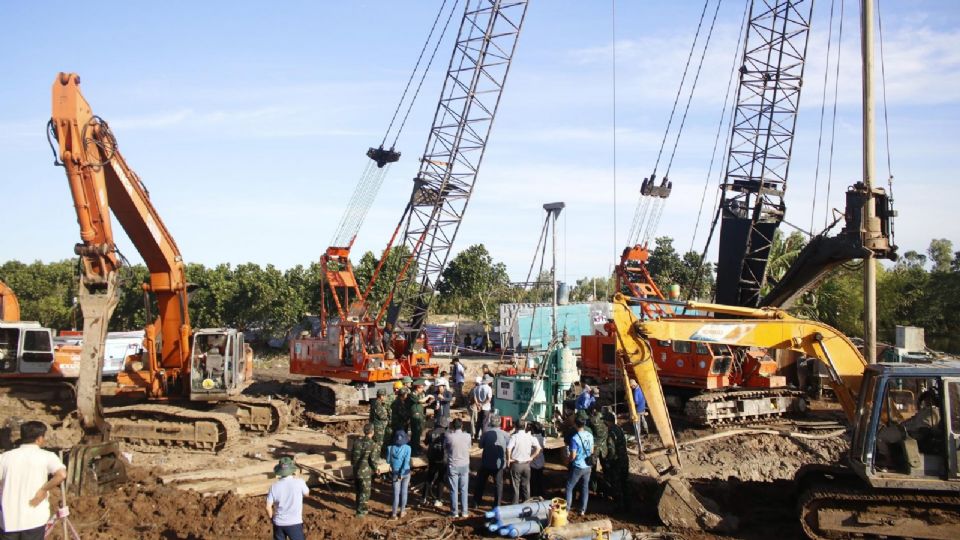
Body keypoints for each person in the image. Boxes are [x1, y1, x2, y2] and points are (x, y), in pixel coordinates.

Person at [0, 421, 66, 540]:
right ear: (40, 438)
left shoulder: (5, 457)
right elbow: (61, 474)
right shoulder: (47, 456)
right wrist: (43, 489)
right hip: (34, 518)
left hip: (8, 519)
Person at [266, 457, 309, 540]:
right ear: (292, 470)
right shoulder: (300, 482)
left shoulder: (274, 486)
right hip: (294, 523)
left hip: (279, 523)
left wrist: (272, 519)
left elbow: (268, 507)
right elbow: (307, 494)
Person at [474, 413, 509, 509]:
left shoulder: (486, 433)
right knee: (498, 485)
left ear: (491, 423)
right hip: (499, 465)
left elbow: (480, 446)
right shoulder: (505, 435)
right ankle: (497, 505)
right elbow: (509, 448)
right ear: (500, 423)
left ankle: (476, 502)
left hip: (486, 462)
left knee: (480, 482)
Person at [506, 422, 542, 504]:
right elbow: (538, 448)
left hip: (516, 464)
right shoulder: (530, 437)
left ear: (515, 427)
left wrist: (508, 459)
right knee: (526, 486)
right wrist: (531, 457)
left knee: (516, 487)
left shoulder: (514, 437)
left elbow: (508, 448)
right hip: (526, 465)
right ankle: (527, 505)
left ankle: (515, 506)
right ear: (525, 426)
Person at [565, 416, 594, 517]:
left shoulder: (575, 438)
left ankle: (567, 509)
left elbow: (573, 455)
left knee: (569, 486)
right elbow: (592, 451)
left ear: (575, 425)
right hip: (588, 466)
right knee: (585, 487)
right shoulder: (590, 435)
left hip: (578, 466)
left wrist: (568, 460)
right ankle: (582, 510)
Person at [603, 411, 631, 512]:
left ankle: (619, 506)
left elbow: (611, 449)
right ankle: (628, 504)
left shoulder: (611, 432)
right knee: (624, 483)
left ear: (607, 421)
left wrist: (608, 461)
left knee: (616, 484)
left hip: (617, 461)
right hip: (624, 459)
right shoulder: (619, 429)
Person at [445, 418, 472, 518]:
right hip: (464, 465)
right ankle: (465, 511)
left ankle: (454, 512)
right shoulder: (467, 436)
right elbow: (469, 447)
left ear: (452, 426)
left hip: (453, 465)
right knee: (464, 489)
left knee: (453, 489)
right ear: (462, 426)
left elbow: (446, 448)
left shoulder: (449, 437)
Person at [350, 424, 378, 517]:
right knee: (365, 492)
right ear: (372, 432)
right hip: (365, 472)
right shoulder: (372, 444)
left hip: (356, 470)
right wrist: (376, 469)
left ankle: (358, 507)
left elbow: (352, 457)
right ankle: (361, 512)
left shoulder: (356, 442)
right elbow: (373, 460)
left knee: (358, 491)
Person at [422, 416, 449, 508]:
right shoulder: (447, 434)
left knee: (429, 477)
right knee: (441, 479)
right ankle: (438, 499)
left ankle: (424, 498)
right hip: (443, 460)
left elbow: (425, 443)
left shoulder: (430, 432)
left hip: (432, 459)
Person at [386, 429, 412, 519]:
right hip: (406, 472)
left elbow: (388, 461)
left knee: (396, 494)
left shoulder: (390, 448)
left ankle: (394, 514)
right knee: (404, 492)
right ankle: (402, 511)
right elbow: (406, 461)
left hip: (395, 473)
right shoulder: (408, 448)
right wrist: (402, 472)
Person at [587, 406, 608, 494]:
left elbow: (587, 429)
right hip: (603, 448)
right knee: (606, 470)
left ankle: (593, 488)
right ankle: (606, 490)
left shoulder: (592, 420)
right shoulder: (606, 420)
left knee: (592, 470)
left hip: (594, 448)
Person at [408, 379, 433, 456]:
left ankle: (416, 448)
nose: (422, 389)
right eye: (421, 388)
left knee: (418, 434)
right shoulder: (412, 394)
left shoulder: (419, 394)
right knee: (415, 434)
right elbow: (420, 401)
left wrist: (428, 403)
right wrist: (428, 396)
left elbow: (421, 405)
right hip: (415, 417)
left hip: (420, 417)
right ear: (417, 387)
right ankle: (414, 451)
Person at [369, 389, 391, 458]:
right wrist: (388, 417)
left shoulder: (377, 402)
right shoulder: (377, 404)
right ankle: (376, 458)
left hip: (379, 426)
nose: (385, 397)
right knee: (378, 443)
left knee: (379, 442)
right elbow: (382, 416)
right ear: (381, 396)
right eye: (384, 396)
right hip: (379, 427)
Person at [528, 423, 546, 498]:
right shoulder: (543, 438)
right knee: (540, 479)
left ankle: (533, 494)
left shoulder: (531, 438)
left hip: (533, 460)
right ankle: (541, 494)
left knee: (532, 480)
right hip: (541, 460)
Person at [475, 375, 493, 440]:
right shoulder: (488, 388)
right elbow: (489, 399)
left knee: (478, 422)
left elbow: (475, 398)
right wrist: (482, 404)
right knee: (485, 423)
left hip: (479, 407)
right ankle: (483, 438)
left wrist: (478, 405)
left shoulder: (477, 387)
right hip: (486, 408)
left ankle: (476, 435)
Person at [469, 376, 483, 440]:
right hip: (477, 406)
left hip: (473, 406)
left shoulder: (473, 389)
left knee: (473, 421)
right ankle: (477, 434)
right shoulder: (479, 389)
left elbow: (469, 398)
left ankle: (473, 434)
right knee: (477, 420)